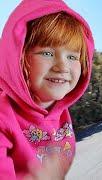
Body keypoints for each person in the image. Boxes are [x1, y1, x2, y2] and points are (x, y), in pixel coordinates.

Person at [0, 0, 94, 179]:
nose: (62, 66)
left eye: (72, 56)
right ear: (19, 56)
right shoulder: (3, 117)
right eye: (47, 53)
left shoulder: (59, 110)